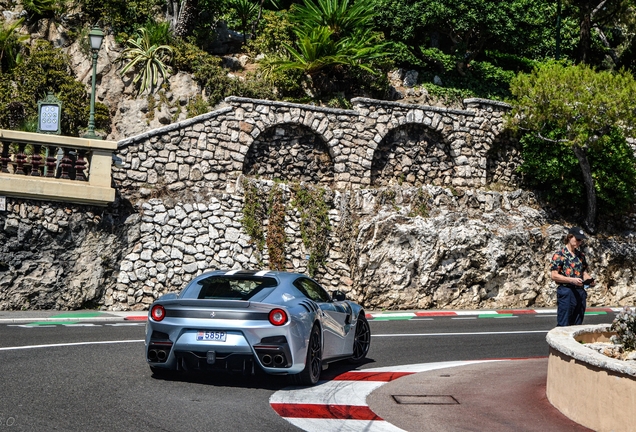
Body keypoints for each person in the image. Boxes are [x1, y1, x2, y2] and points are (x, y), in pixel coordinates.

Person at [550, 227, 595, 326]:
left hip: (580, 292)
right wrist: (571, 280)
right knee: (564, 324)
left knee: (577, 325)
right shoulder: (559, 255)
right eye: (577, 239)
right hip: (567, 291)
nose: (579, 242)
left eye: (581, 240)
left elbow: (583, 272)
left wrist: (589, 280)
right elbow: (554, 275)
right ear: (570, 237)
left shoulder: (581, 256)